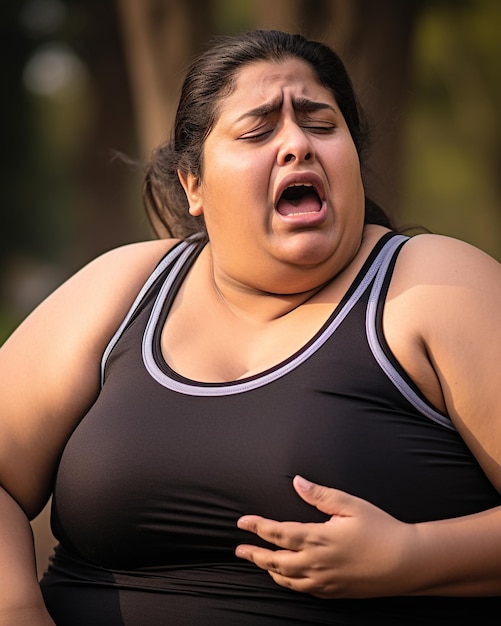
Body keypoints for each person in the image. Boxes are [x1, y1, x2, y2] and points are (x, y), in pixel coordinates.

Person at [0, 28, 500, 626]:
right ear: (193, 186)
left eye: (320, 124)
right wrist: (17, 608)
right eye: (258, 130)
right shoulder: (124, 288)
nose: (296, 144)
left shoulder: (432, 284)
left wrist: (413, 558)